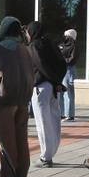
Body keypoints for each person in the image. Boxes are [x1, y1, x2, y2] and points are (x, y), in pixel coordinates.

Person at [0, 17, 34, 177]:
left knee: (6, 137)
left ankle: (7, 173)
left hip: (6, 100)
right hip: (23, 100)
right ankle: (21, 172)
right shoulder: (25, 49)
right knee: (21, 136)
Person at [28, 21, 67, 168]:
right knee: (54, 119)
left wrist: (53, 80)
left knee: (42, 122)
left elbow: (41, 65)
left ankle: (45, 157)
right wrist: (57, 81)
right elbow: (63, 64)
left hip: (41, 86)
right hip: (53, 87)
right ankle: (51, 152)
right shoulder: (50, 43)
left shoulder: (34, 45)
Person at [58, 28, 78, 121]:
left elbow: (73, 58)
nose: (66, 37)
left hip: (68, 69)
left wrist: (64, 61)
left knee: (68, 92)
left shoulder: (74, 46)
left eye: (68, 35)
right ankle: (61, 113)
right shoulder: (62, 44)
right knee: (60, 92)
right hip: (61, 68)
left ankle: (69, 114)